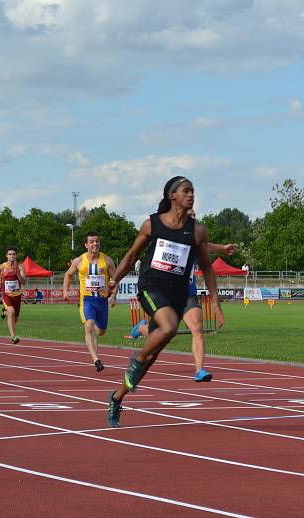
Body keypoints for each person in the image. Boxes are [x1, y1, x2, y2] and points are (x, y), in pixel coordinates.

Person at [105, 176, 224, 428]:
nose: (191, 195)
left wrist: (215, 300)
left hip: (178, 294)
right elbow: (131, 256)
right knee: (169, 327)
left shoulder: (197, 231)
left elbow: (207, 267)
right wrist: (114, 280)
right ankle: (137, 357)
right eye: (186, 190)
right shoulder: (152, 225)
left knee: (152, 357)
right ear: (172, 196)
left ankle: (116, 398)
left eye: (193, 190)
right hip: (151, 287)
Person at [131, 209, 235, 382]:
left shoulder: (195, 239)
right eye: (189, 216)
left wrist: (223, 248)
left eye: (194, 217)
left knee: (197, 328)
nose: (192, 219)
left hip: (188, 293)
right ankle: (141, 329)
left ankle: (199, 369)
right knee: (160, 335)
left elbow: (206, 246)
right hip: (165, 294)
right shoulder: (169, 236)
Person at [63, 232, 117, 372]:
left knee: (101, 331)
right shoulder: (79, 261)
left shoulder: (107, 261)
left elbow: (115, 280)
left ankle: (95, 342)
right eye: (92, 242)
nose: (95, 244)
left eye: (97, 241)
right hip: (86, 300)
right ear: (86, 245)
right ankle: (96, 360)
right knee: (89, 326)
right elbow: (68, 275)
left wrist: (113, 296)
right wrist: (65, 291)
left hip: (102, 301)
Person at [0, 246, 27, 344]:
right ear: (6, 256)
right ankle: (13, 337)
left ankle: (4, 313)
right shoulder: (1, 267)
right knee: (11, 311)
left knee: (14, 319)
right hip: (5, 294)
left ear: (16, 256)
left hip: (17, 295)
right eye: (10, 254)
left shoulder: (20, 267)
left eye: (14, 254)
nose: (12, 256)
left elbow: (23, 281)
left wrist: (18, 273)